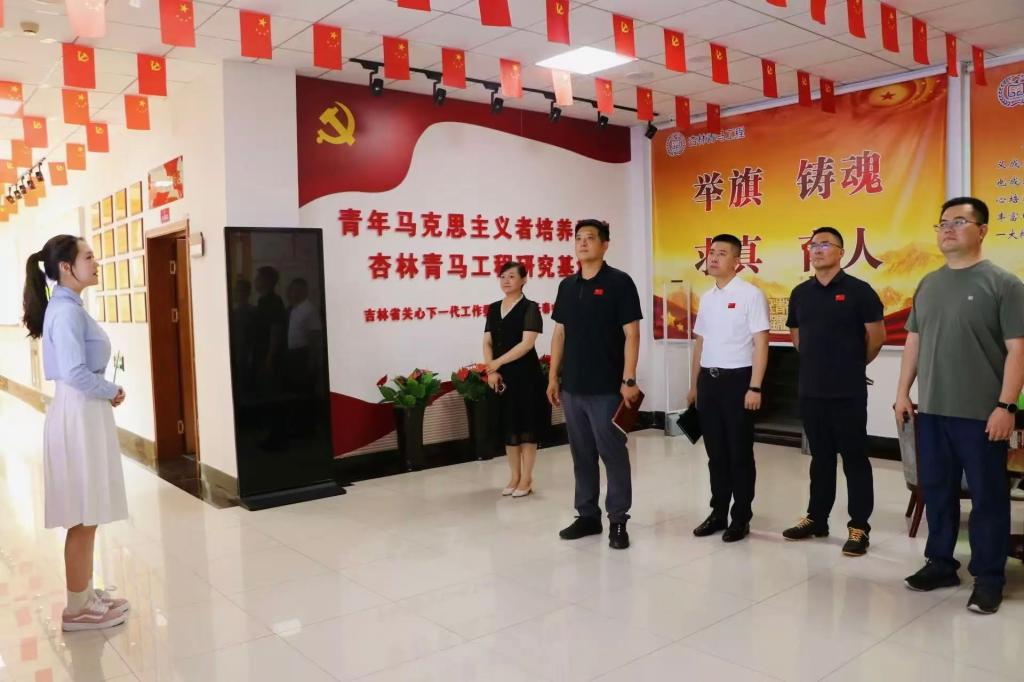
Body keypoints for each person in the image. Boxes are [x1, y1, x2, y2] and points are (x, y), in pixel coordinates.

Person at [896, 197, 1024, 615]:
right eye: (942, 223)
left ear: (982, 230)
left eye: (959, 222)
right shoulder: (929, 284)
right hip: (932, 411)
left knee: (988, 498)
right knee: (938, 491)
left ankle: (989, 578)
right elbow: (914, 341)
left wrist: (1006, 406)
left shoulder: (1004, 284)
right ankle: (940, 563)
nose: (948, 229)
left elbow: (1018, 350)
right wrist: (903, 392)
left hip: (982, 415)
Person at [22, 235, 130, 631]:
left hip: (84, 411)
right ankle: (76, 608)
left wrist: (104, 392)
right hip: (79, 411)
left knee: (89, 510)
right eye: (88, 257)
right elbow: (74, 371)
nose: (95, 262)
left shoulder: (68, 307)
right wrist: (111, 389)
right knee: (83, 514)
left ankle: (83, 593)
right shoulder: (66, 312)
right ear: (66, 267)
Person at [783, 227, 886, 556]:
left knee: (855, 459)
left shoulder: (860, 291)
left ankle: (859, 527)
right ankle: (817, 518)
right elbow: (797, 337)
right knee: (821, 458)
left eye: (825, 244)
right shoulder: (801, 293)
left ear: (841, 252)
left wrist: (852, 365)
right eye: (813, 245)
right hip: (811, 391)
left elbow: (876, 338)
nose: (817, 249)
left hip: (848, 392)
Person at [549, 219, 643, 550]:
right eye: (578, 238)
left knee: (612, 454)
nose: (583, 243)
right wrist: (553, 376)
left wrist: (628, 378)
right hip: (573, 386)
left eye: (590, 237)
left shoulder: (619, 282)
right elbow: (559, 332)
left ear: (605, 245)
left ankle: (618, 519)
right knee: (582, 455)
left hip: (606, 388)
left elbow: (632, 333)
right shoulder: (567, 285)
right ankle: (587, 515)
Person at [688, 234, 769, 543]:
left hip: (739, 381)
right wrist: (694, 384)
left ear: (737, 261)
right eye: (711, 252)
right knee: (716, 454)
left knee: (739, 453)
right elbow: (700, 343)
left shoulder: (751, 295)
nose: (713, 258)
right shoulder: (707, 297)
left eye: (721, 253)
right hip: (709, 382)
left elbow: (761, 344)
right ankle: (718, 512)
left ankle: (741, 516)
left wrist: (755, 386)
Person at [484, 261, 547, 498]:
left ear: (524, 280)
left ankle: (527, 478)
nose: (506, 281)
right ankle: (514, 476)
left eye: (511, 276)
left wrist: (497, 363)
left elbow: (527, 344)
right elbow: (487, 342)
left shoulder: (530, 307)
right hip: (502, 376)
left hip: (526, 375)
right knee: (509, 428)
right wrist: (491, 370)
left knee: (527, 428)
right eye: (502, 277)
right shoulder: (493, 308)